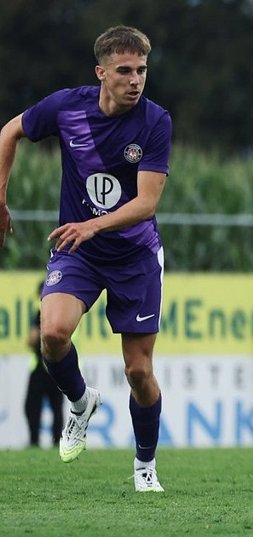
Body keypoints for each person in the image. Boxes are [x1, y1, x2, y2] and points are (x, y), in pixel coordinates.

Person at [0, 26, 171, 492]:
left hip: (134, 255)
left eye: (141, 70)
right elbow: (10, 130)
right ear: (101, 73)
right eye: (124, 71)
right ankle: (80, 402)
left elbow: (147, 202)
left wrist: (92, 224)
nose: (135, 80)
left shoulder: (155, 122)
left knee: (138, 371)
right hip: (79, 251)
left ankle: (144, 466)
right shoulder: (66, 107)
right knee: (52, 334)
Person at [25, 281, 65, 448]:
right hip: (60, 365)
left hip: (43, 367)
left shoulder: (42, 313)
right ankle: (57, 443)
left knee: (32, 406)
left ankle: (35, 442)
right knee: (57, 407)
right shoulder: (65, 312)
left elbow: (31, 340)